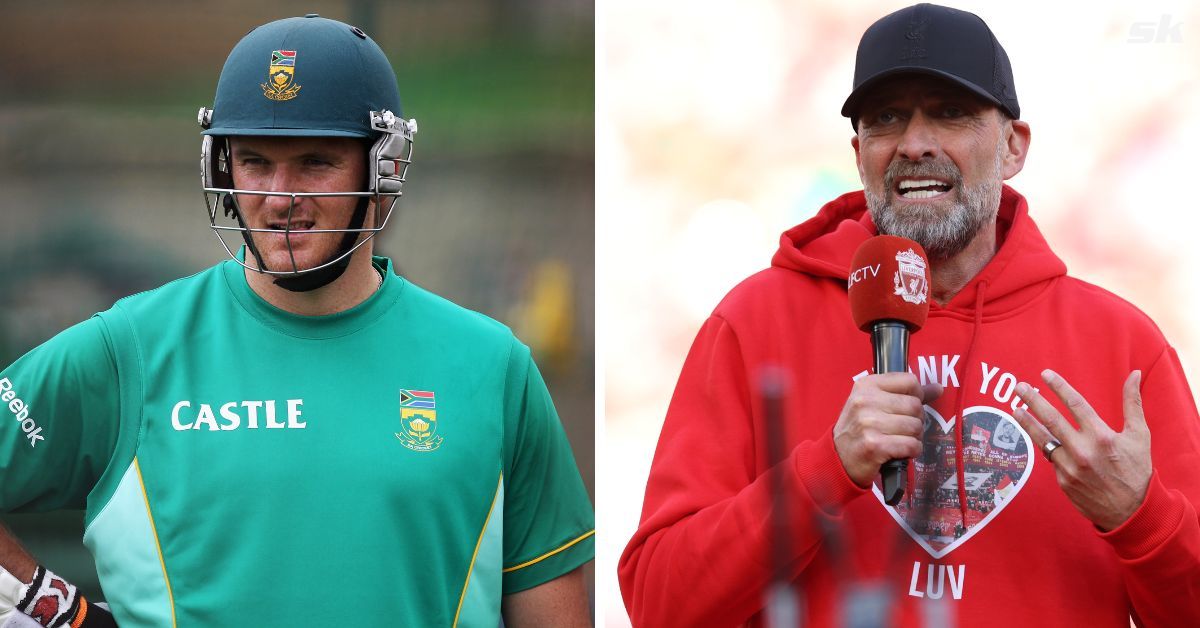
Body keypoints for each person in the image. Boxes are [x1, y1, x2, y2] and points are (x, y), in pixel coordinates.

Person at [0, 15, 594, 627]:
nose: (280, 197)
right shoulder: (130, 351)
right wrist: (54, 611)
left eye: (315, 161)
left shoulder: (493, 368)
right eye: (255, 161)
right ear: (222, 167)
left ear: (384, 169)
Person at [619, 4, 1200, 627]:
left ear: (1013, 146)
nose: (915, 144)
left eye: (950, 113)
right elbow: (660, 603)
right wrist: (824, 470)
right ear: (859, 150)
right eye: (887, 118)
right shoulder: (753, 321)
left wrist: (1141, 520)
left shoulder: (1122, 345)